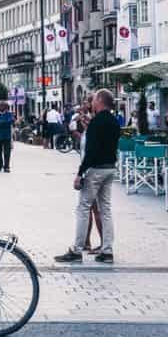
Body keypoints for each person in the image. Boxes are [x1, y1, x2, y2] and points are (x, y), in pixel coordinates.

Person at [55, 88, 120, 264]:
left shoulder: (96, 122)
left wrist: (80, 173)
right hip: (109, 168)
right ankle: (107, 251)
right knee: (105, 209)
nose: (91, 103)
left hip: (95, 169)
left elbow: (90, 151)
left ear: (99, 101)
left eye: (93, 100)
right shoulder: (114, 121)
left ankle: (77, 250)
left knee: (83, 208)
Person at [0, 101, 14, 173]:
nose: (1, 107)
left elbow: (10, 122)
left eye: (3, 106)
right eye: (0, 106)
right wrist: (4, 122)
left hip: (7, 136)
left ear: (5, 107)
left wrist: (0, 123)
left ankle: (6, 166)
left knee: (7, 152)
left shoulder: (9, 114)